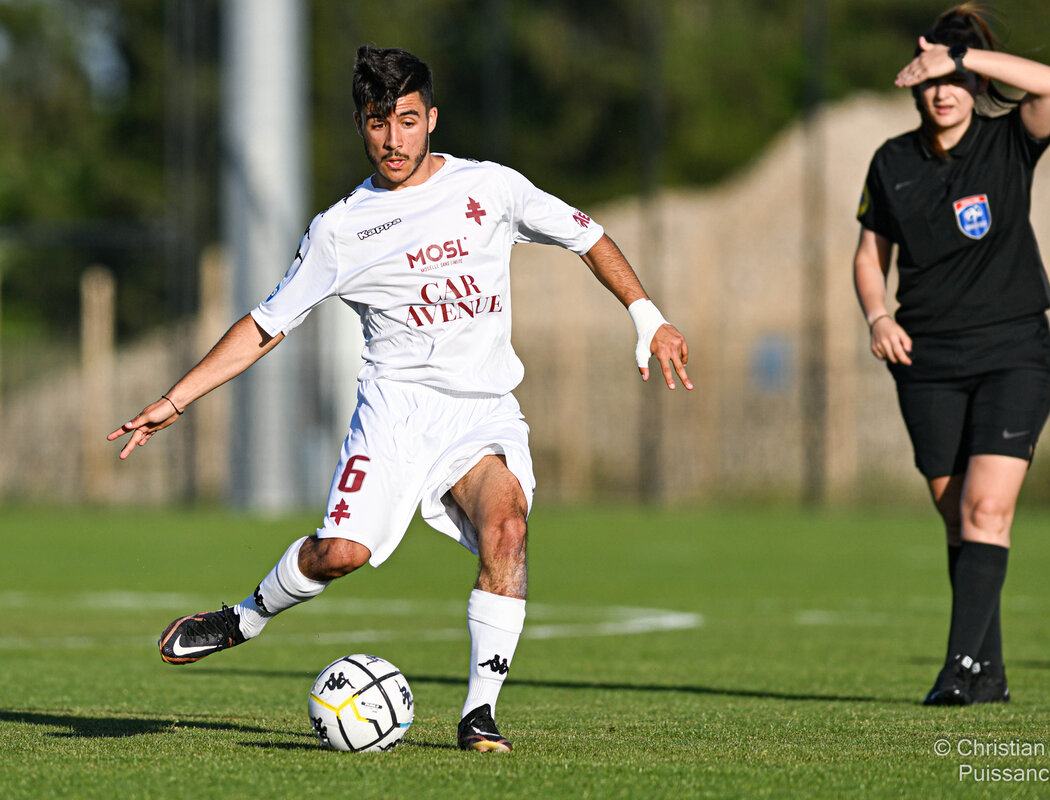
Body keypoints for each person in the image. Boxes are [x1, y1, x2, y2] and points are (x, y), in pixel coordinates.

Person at [109, 45, 692, 751]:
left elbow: (587, 235)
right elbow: (265, 325)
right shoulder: (340, 230)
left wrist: (647, 315)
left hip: (481, 411)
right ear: (361, 124)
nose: (393, 139)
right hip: (395, 414)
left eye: (408, 121)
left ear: (432, 119)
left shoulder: (491, 188)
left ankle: (479, 715)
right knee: (340, 554)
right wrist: (176, 399)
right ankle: (246, 617)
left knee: (507, 529)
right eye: (378, 122)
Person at [852, 4, 1050, 705]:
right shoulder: (892, 161)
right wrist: (878, 315)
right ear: (916, 87)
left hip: (1013, 353)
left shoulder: (1010, 141)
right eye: (932, 80)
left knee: (987, 509)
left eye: (954, 80)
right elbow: (869, 255)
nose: (943, 92)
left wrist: (961, 57)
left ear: (973, 84)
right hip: (927, 363)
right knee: (958, 518)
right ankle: (989, 675)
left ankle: (958, 671)